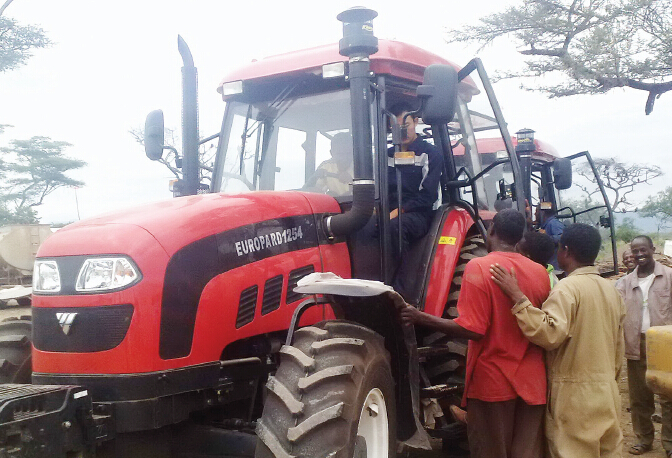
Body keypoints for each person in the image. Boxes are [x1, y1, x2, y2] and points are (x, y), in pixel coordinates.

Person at [395, 209, 550, 458]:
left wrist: (419, 317)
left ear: (491, 230)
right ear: (521, 237)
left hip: (494, 382)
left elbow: (473, 329)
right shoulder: (540, 272)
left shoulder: (480, 266)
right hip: (533, 383)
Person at [490, 223, 625, 458]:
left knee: (572, 451)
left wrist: (518, 297)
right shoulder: (611, 289)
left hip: (575, 394)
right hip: (607, 389)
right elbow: (618, 345)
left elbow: (550, 335)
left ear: (566, 251)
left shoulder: (567, 289)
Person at [616, 235, 672, 456]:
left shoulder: (668, 276)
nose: (639, 254)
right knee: (640, 398)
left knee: (668, 397)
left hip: (665, 345)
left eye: (643, 250)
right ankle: (644, 439)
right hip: (636, 344)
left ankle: (669, 443)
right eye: (635, 250)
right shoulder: (625, 283)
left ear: (653, 249)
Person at [387, 102, 443, 295]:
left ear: (416, 121)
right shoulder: (387, 154)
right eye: (396, 125)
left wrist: (399, 211)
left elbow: (428, 196)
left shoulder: (430, 153)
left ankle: (399, 290)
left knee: (396, 227)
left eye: (406, 124)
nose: (402, 129)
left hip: (418, 214)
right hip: (389, 211)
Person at [304, 132, 353, 196]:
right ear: (331, 153)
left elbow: (366, 195)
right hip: (335, 204)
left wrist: (352, 182)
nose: (344, 158)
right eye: (340, 154)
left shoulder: (363, 168)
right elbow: (314, 190)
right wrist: (314, 178)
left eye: (348, 153)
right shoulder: (325, 167)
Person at [536, 203, 564, 270]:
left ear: (542, 213)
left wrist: (546, 237)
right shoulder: (544, 225)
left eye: (536, 211)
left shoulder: (554, 223)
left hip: (556, 268)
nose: (535, 214)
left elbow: (563, 238)